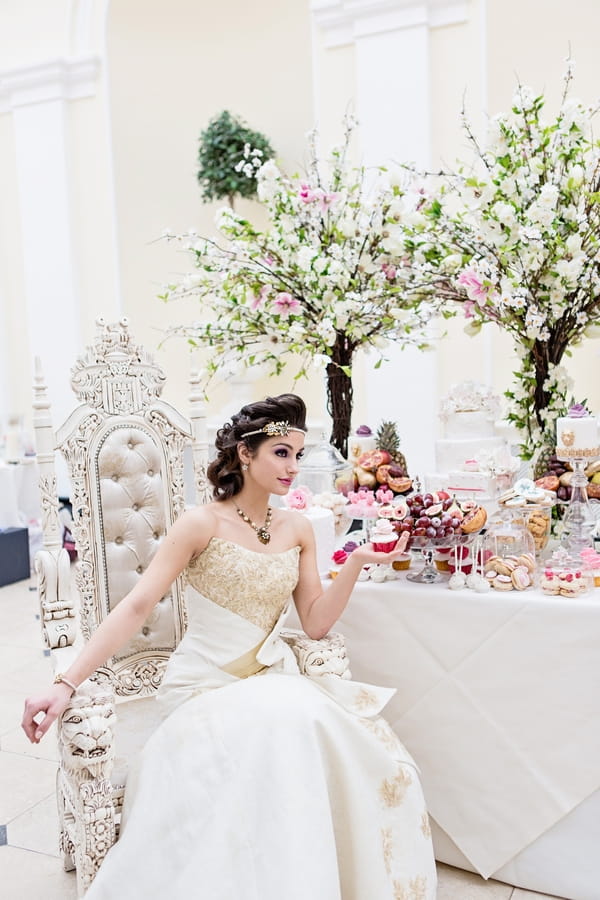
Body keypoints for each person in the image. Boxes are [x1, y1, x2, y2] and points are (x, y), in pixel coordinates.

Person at [22, 393, 436, 900]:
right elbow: (135, 607)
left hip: (270, 680)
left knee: (323, 731)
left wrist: (356, 563)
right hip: (204, 687)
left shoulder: (298, 528)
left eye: (298, 455)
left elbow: (315, 624)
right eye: (281, 452)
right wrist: (65, 684)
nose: (293, 467)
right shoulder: (202, 523)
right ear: (246, 453)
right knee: (292, 720)